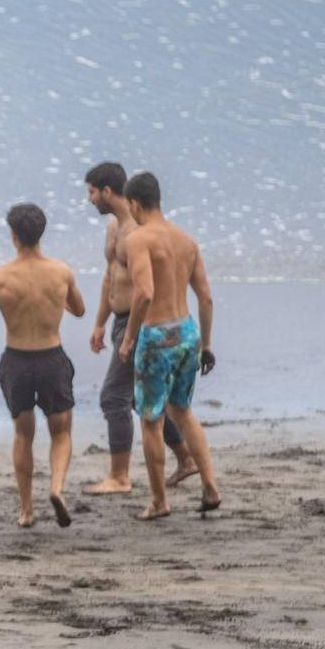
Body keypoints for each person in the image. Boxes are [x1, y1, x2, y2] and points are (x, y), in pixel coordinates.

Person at [0, 202, 85, 528]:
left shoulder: (0, 278)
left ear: (13, 235)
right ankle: (57, 488)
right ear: (41, 233)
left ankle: (26, 510)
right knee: (60, 432)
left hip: (17, 361)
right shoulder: (61, 272)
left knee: (23, 434)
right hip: (52, 358)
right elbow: (79, 309)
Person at [83, 162, 193, 496]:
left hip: (137, 321)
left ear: (107, 191)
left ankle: (119, 477)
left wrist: (132, 334)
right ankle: (186, 459)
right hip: (118, 321)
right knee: (136, 399)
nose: (88, 200)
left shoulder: (137, 230)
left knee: (113, 398)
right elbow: (110, 278)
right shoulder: (113, 229)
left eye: (91, 192)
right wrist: (100, 322)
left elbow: (149, 287)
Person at [119, 172, 222, 520]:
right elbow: (205, 298)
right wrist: (207, 344)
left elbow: (145, 292)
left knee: (151, 421)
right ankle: (210, 485)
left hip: (157, 336)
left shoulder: (138, 239)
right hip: (188, 331)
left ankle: (159, 501)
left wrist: (130, 337)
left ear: (133, 204)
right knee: (183, 411)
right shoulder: (186, 241)